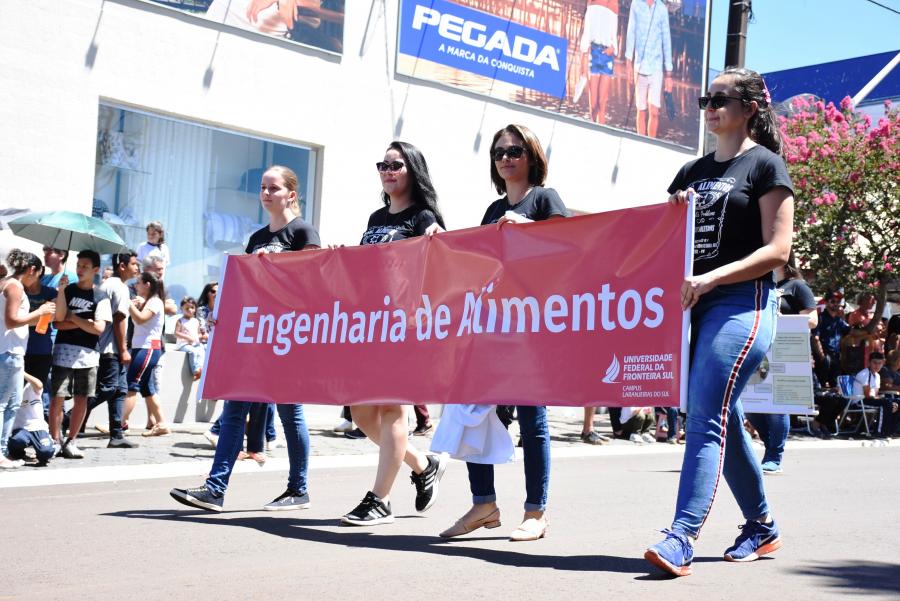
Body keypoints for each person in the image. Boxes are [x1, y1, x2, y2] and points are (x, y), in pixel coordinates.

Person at [644, 67, 794, 577]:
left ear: (750, 108)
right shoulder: (690, 172)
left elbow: (778, 250)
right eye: (706, 99)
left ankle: (681, 536)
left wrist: (712, 278)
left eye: (721, 99)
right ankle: (762, 525)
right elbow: (662, 243)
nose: (710, 107)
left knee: (705, 413)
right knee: (720, 415)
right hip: (692, 306)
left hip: (742, 304)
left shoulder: (765, 165)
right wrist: (672, 210)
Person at [439, 124, 567, 542]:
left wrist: (527, 227)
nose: (506, 158)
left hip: (533, 326)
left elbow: (570, 248)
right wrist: (440, 243)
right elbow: (478, 263)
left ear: (532, 155)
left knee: (532, 421)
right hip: (493, 325)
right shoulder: (493, 209)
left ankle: (536, 512)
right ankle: (484, 504)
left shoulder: (545, 199)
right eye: (498, 153)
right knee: (474, 413)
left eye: (514, 151)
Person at [170, 165, 319, 512]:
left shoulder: (303, 232)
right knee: (234, 407)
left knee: (290, 413)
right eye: (263, 187)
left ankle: (298, 489)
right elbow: (246, 288)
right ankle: (215, 489)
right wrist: (224, 312)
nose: (266, 193)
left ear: (291, 195)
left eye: (274, 188)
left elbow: (312, 283)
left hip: (288, 337)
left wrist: (274, 267)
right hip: (254, 336)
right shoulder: (256, 238)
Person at [339, 141, 448, 526]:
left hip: (407, 327)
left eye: (395, 165)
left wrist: (438, 240)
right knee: (361, 412)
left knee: (392, 409)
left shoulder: (423, 216)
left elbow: (439, 265)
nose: (387, 171)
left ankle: (380, 500)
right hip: (372, 326)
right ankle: (423, 464)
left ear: (412, 170)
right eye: (382, 165)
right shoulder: (376, 217)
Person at [746, 252, 818, 472]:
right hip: (760, 351)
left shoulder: (797, 286)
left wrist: (781, 319)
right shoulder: (762, 284)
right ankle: (771, 446)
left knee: (778, 406)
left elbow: (813, 320)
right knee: (751, 405)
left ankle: (774, 456)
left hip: (785, 352)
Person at [50, 250, 111, 459]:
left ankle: (71, 440)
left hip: (89, 354)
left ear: (96, 269)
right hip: (63, 350)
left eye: (85, 266)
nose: (80, 269)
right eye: (78, 265)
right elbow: (58, 322)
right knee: (57, 398)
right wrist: (61, 291)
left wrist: (74, 318)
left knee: (81, 399)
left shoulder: (101, 296)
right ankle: (54, 440)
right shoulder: (68, 290)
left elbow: (99, 328)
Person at [1, 250, 56, 468]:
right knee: (5, 404)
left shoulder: (6, 283)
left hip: (10, 351)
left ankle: (3, 450)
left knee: (11, 404)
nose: (38, 280)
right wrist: (40, 312)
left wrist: (39, 318)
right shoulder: (15, 287)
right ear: (32, 270)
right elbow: (12, 321)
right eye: (39, 274)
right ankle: (1, 452)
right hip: (10, 351)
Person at [86, 251, 141, 447]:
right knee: (107, 389)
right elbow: (119, 319)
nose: (137, 267)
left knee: (119, 391)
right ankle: (69, 417)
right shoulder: (119, 287)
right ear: (122, 266)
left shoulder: (108, 284)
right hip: (110, 348)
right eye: (134, 264)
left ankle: (116, 435)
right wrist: (123, 349)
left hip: (107, 347)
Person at [126, 272, 171, 437]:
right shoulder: (148, 302)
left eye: (139, 282)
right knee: (147, 388)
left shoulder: (155, 302)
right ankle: (161, 424)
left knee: (132, 384)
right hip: (141, 347)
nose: (136, 285)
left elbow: (140, 319)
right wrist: (135, 305)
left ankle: (119, 423)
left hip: (147, 348)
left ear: (147, 284)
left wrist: (127, 303)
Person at [625, 0, 673, 138]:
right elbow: (631, 32)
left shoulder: (662, 9)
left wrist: (669, 74)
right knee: (641, 110)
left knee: (654, 112)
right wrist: (628, 62)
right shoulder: (636, 4)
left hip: (656, 67)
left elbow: (666, 40)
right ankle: (641, 142)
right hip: (639, 65)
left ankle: (651, 142)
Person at [579, 0, 618, 125]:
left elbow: (614, 32)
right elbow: (587, 31)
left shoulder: (614, 3)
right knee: (594, 104)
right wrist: (583, 57)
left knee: (602, 104)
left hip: (608, 56)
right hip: (593, 52)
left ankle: (601, 132)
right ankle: (592, 128)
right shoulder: (592, 2)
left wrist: (614, 47)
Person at [7, 372, 55, 465]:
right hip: (21, 429)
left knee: (46, 452)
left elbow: (39, 385)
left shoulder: (30, 387)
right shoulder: (9, 389)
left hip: (38, 428)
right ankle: (18, 455)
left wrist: (21, 371)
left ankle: (48, 446)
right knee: (18, 440)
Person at [852, 352, 897, 439]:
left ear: (883, 363)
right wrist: (880, 398)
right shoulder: (864, 374)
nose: (877, 365)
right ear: (869, 362)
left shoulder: (877, 376)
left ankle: (890, 431)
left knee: (896, 402)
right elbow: (867, 395)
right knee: (885, 403)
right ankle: (879, 432)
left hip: (869, 399)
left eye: (880, 363)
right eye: (875, 362)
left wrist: (883, 399)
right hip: (859, 401)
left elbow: (875, 394)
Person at [812, 291, 849, 388]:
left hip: (836, 356)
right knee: (821, 385)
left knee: (835, 385)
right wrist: (822, 357)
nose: (835, 304)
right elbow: (815, 338)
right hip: (824, 356)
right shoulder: (820, 318)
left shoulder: (839, 320)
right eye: (833, 301)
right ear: (826, 303)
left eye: (838, 302)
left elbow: (849, 331)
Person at [175, 296, 205, 381]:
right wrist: (187, 337)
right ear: (182, 309)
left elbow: (198, 334)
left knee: (201, 351)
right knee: (193, 352)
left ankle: (200, 368)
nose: (190, 310)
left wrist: (199, 336)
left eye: (192, 308)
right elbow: (176, 333)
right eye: (187, 308)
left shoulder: (196, 321)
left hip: (194, 344)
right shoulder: (180, 321)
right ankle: (195, 370)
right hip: (183, 344)